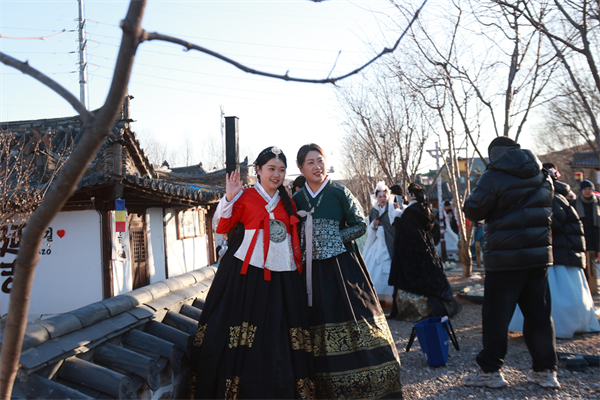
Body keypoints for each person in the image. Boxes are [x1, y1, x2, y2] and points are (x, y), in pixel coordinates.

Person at [189, 146, 315, 399]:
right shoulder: (245, 197)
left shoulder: (286, 201)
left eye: (281, 170)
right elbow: (222, 226)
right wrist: (229, 198)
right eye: (271, 169)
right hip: (247, 275)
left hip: (283, 275)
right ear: (258, 171)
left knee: (281, 333)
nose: (276, 175)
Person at [293, 143, 402, 399]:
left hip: (343, 267)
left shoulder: (340, 191)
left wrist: (330, 237)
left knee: (357, 313)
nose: (317, 166)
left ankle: (371, 380)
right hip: (310, 271)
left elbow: (359, 226)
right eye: (311, 162)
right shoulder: (296, 199)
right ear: (301, 168)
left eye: (320, 160)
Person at [462, 137, 559, 390]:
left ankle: (490, 371)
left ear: (494, 155)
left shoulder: (493, 176)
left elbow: (473, 210)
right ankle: (545, 371)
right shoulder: (543, 175)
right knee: (539, 315)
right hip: (538, 258)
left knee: (496, 316)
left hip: (505, 259)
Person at [509, 163, 600, 338]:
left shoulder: (551, 197)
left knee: (557, 293)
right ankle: (568, 324)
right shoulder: (557, 196)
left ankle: (559, 327)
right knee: (567, 291)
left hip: (557, 252)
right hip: (560, 251)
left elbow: (555, 221)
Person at [388, 183, 461, 319]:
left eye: (408, 194)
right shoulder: (424, 209)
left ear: (411, 195)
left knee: (412, 281)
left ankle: (412, 311)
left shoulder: (410, 211)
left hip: (412, 253)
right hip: (426, 250)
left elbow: (404, 234)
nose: (407, 197)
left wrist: (397, 217)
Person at [363, 181, 398, 304]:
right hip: (378, 242)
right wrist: (374, 224)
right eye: (380, 196)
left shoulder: (393, 208)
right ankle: (378, 299)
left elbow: (394, 226)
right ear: (376, 198)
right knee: (374, 266)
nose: (383, 198)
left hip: (390, 241)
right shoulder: (374, 210)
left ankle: (393, 298)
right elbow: (371, 228)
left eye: (385, 196)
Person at [572, 179, 600, 295]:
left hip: (595, 242)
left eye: (589, 189)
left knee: (593, 271)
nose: (587, 191)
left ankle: (593, 293)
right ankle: (583, 293)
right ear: (581, 191)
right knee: (582, 271)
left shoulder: (598, 203)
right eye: (585, 189)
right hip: (579, 243)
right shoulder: (574, 204)